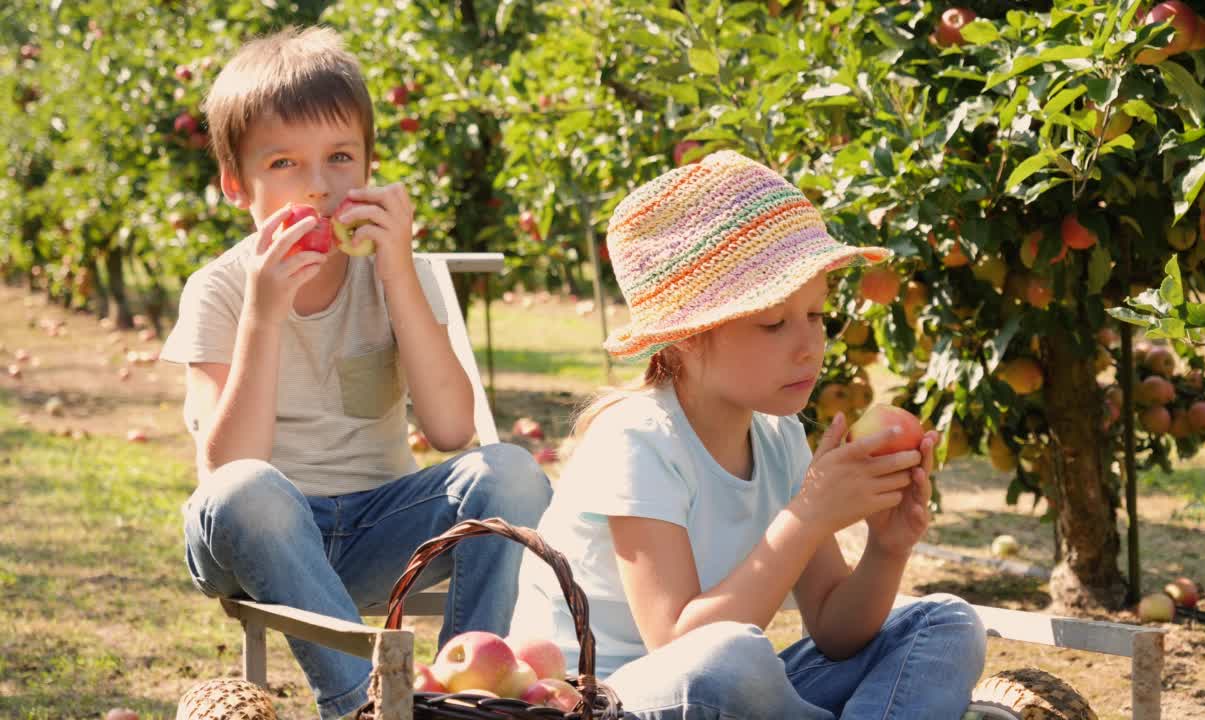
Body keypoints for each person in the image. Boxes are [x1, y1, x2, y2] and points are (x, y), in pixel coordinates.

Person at [158, 26, 550, 719]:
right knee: (250, 489)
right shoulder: (219, 290)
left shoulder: (395, 273)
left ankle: (466, 701)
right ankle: (367, 706)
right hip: (257, 538)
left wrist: (399, 270)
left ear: (370, 167)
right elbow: (227, 470)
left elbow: (452, 427)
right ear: (232, 185)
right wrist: (264, 315)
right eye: (284, 163)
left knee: (513, 472)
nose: (318, 185)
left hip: (379, 528)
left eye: (340, 157)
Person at [510, 150, 986, 718]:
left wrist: (887, 548)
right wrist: (807, 515)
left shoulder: (779, 436)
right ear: (688, 335)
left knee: (945, 620)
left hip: (725, 692)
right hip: (602, 702)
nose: (810, 345)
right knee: (730, 658)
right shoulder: (636, 439)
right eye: (773, 323)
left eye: (817, 315)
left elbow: (835, 630)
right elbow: (681, 647)